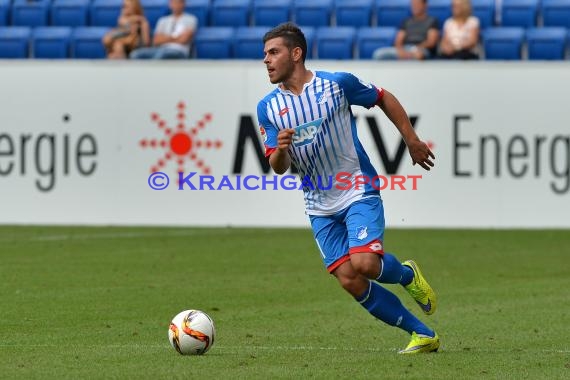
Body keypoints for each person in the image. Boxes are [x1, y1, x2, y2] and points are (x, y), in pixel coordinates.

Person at [258, 22, 440, 354]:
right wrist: (281, 150)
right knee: (350, 278)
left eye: (273, 52)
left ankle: (406, 274)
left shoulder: (336, 85)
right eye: (265, 55)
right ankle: (422, 334)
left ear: (296, 54)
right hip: (318, 204)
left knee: (366, 264)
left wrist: (411, 139)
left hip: (357, 187)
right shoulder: (268, 108)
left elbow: (383, 98)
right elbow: (278, 167)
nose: (266, 61)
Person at [129, 0, 197, 60]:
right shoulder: (162, 20)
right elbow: (156, 40)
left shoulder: (191, 19)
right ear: (170, 4)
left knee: (161, 55)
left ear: (184, 4)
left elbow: (184, 39)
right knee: (135, 54)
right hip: (160, 49)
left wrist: (165, 38)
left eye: (179, 2)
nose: (176, 5)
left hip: (178, 51)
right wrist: (176, 37)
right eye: (173, 2)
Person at [372, 0, 439, 60]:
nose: (414, 6)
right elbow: (398, 40)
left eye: (417, 4)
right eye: (413, 4)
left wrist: (415, 49)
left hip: (422, 49)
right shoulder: (406, 21)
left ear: (425, 5)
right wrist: (401, 51)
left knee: (419, 56)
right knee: (379, 54)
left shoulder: (432, 21)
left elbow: (431, 42)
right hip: (405, 48)